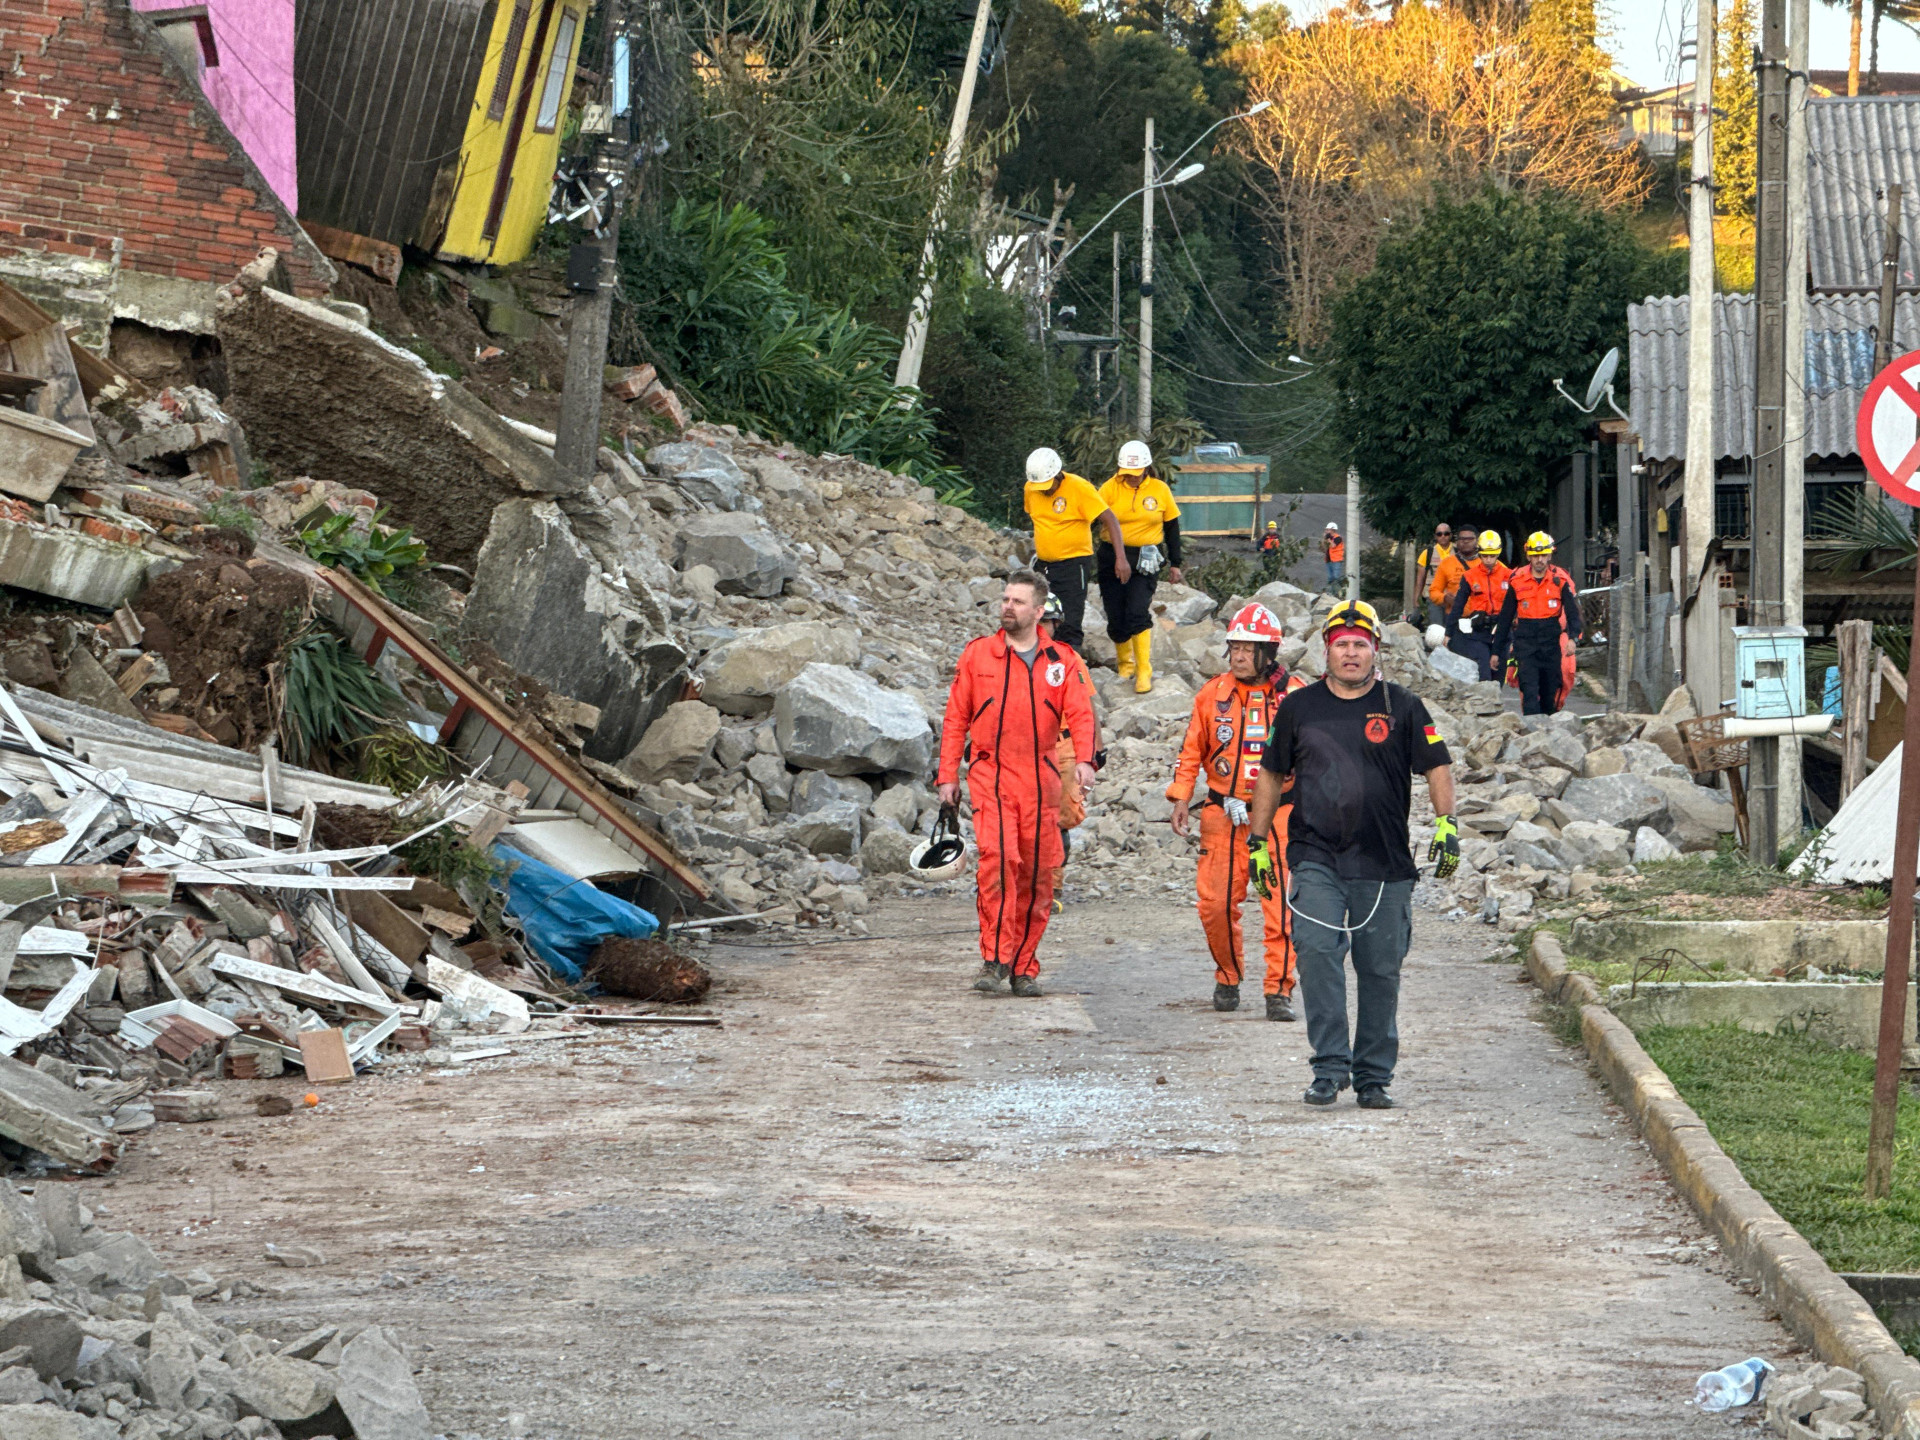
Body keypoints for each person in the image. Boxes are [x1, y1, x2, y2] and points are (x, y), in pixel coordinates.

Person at [1245, 599, 1458, 1108]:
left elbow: (1438, 767)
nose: (1351, 653)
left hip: (1383, 862)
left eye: (1360, 644)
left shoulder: (1403, 705)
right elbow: (1271, 775)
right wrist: (1256, 844)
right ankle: (1329, 1066)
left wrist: (1447, 825)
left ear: (1375, 650)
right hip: (1316, 856)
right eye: (1341, 644)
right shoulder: (1299, 707)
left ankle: (1372, 1077)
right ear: (1327, 649)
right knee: (1317, 954)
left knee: (1380, 969)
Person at [938, 570, 1098, 997]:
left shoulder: (1060, 661)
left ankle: (1024, 966)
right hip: (991, 775)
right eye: (1005, 599)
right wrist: (947, 777)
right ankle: (995, 959)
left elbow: (1081, 714)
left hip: (1042, 779)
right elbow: (955, 719)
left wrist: (1085, 760)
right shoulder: (978, 655)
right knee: (998, 864)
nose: (1008, 606)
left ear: (1038, 610)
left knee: (1036, 875)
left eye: (1018, 601)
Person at [1167, 603, 1305, 1020]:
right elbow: (1192, 749)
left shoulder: (1296, 695)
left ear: (1269, 653)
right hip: (1222, 812)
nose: (1240, 656)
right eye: (1235, 648)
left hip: (1280, 813)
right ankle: (1227, 975)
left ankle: (1278, 990)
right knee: (1215, 904)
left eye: (1248, 648)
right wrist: (1180, 796)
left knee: (1280, 904)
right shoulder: (1213, 694)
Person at [1097, 440, 1183, 694]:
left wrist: (1176, 563)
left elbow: (1172, 528)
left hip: (1146, 557)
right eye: (1127, 473)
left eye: (1136, 473)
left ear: (1147, 468)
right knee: (1115, 612)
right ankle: (1125, 663)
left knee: (1137, 611)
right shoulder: (1109, 488)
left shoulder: (1160, 489)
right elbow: (1093, 516)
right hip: (1111, 555)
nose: (1132, 478)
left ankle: (1144, 668)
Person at [1022, 447, 1128, 654]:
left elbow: (1110, 519)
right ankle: (1042, 663)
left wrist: (1121, 558)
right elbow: (1037, 518)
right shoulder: (1031, 488)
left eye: (1047, 484)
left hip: (1073, 563)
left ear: (1058, 474)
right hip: (1043, 565)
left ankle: (1070, 669)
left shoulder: (1079, 488)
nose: (1044, 490)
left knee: (1069, 619)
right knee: (1041, 615)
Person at [1039, 591, 1102, 908]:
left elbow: (1087, 708)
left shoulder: (1068, 661)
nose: (1042, 627)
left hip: (1062, 745)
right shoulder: (1006, 659)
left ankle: (1053, 889)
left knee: (1060, 817)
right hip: (1023, 747)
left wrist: (1093, 752)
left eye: (1047, 622)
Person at [1492, 532, 1583, 717]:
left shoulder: (1560, 580)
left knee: (1549, 696)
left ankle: (1547, 737)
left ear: (1549, 555)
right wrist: (1496, 651)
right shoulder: (1517, 581)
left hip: (1550, 644)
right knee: (1530, 693)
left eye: (1543, 555)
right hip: (1526, 645)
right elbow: (1505, 618)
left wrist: (1573, 638)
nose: (1539, 560)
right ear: (1528, 556)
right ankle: (1531, 736)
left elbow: (1573, 614)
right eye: (1535, 556)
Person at [1443, 531, 1511, 681]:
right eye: (1485, 556)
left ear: (1498, 554)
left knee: (1498, 675)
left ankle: (1495, 701)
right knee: (1484, 670)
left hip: (1502, 630)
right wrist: (1448, 633)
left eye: (1492, 556)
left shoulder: (1509, 576)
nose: (1488, 560)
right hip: (1480, 631)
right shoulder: (1470, 576)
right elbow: (1458, 606)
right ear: (1479, 554)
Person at [1426, 525, 1478, 620]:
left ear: (1477, 541)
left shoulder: (1487, 562)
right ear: (1457, 542)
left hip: (1481, 620)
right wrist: (1445, 598)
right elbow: (1433, 591)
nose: (1465, 541)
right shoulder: (1446, 563)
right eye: (1462, 539)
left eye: (1470, 539)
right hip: (1454, 619)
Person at [1412, 523, 1453, 623]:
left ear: (1451, 535)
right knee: (1437, 630)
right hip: (1434, 599)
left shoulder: (1458, 552)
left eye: (1446, 533)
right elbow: (1420, 580)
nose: (1443, 536)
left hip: (1453, 599)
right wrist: (1416, 599)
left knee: (1452, 631)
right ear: (1435, 536)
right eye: (1439, 534)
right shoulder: (1427, 553)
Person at [1322, 522, 1345, 592]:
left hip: (1336, 560)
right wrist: (1324, 539)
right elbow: (1323, 547)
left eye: (1328, 529)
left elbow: (1333, 546)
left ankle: (1337, 592)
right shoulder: (1328, 538)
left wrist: (1329, 540)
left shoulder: (1338, 538)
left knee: (1335, 577)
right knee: (1330, 578)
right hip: (1329, 560)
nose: (1327, 531)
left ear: (1333, 530)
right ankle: (1330, 592)